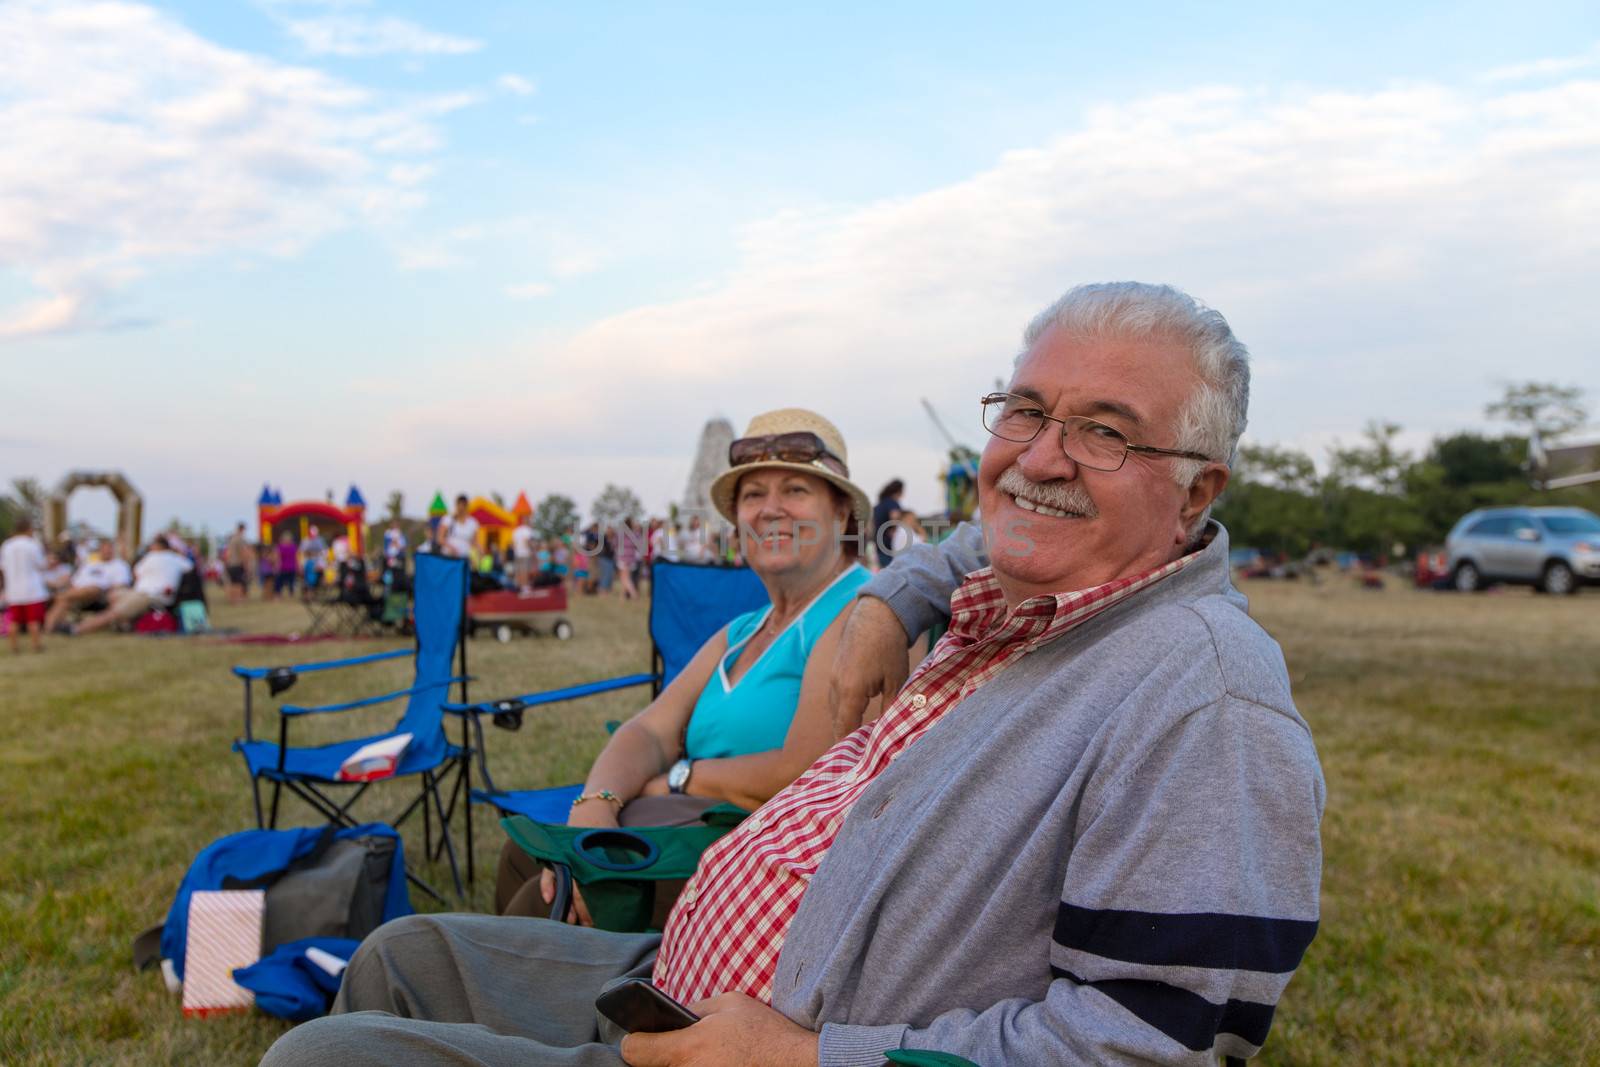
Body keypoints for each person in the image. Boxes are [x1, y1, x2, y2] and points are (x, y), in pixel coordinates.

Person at [264, 283, 1324, 1067]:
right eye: (1026, 410)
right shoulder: (998, 582)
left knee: (317, 1060)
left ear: (1194, 496)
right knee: (402, 951)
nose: (1041, 456)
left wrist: (802, 1054)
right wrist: (885, 601)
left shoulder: (1199, 697)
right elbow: (965, 539)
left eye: (1105, 432)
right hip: (672, 975)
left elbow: (1152, 1046)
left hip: (781, 1040)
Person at [494, 409, 886, 920]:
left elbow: (806, 771)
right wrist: (596, 805)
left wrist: (676, 780)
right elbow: (649, 730)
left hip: (766, 866)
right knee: (525, 857)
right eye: (752, 495)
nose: (770, 510)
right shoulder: (743, 629)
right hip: (685, 829)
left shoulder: (865, 612)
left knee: (553, 899)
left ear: (840, 515)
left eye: (794, 490)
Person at [75, 534, 193, 634]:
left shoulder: (150, 557)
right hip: (141, 593)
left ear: (157, 546)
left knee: (113, 612)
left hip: (150, 596)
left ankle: (76, 629)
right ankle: (123, 624)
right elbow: (190, 569)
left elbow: (136, 573)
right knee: (114, 595)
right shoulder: (177, 559)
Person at [44, 540, 132, 632]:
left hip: (101, 593)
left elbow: (121, 584)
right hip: (78, 592)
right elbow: (75, 581)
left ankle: (54, 619)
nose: (106, 551)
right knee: (64, 599)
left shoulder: (119, 565)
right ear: (99, 550)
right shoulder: (90, 564)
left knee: (83, 591)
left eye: (109, 549)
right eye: (104, 549)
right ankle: (49, 628)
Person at [2, 515, 50, 653]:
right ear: (29, 529)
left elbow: (3, 567)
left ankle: (14, 647)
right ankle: (36, 646)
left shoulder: (7, 545)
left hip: (13, 590)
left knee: (14, 620)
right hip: (31, 589)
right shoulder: (32, 545)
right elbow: (40, 565)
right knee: (33, 620)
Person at [871, 478, 905, 569]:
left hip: (878, 542)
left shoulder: (879, 505)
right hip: (889, 544)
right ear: (899, 491)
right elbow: (895, 516)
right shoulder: (892, 503)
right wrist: (894, 530)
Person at [439, 495, 480, 561]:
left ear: (466, 507)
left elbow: (474, 541)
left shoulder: (473, 523)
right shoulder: (447, 519)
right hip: (448, 557)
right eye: (459, 506)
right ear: (456, 505)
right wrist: (450, 548)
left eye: (463, 506)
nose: (461, 509)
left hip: (464, 558)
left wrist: (480, 550)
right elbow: (440, 539)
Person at [223, 523, 255, 602]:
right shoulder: (240, 539)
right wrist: (246, 565)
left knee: (233, 582)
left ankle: (232, 599)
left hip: (230, 564)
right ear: (242, 529)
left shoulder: (232, 539)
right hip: (237, 564)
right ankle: (237, 599)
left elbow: (227, 554)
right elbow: (242, 553)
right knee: (238, 583)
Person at [511, 516, 536, 591]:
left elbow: (513, 544)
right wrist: (532, 551)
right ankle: (525, 587)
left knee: (519, 570)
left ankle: (519, 586)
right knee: (525, 570)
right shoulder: (528, 530)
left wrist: (516, 551)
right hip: (525, 552)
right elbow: (527, 541)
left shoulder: (516, 530)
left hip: (517, 553)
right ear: (527, 521)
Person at [302, 524, 328, 592]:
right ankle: (309, 593)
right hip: (309, 563)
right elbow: (303, 552)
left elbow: (324, 552)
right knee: (309, 580)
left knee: (320, 578)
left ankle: (318, 592)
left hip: (319, 562)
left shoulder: (320, 540)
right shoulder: (306, 540)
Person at [272, 531, 298, 598]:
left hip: (292, 567)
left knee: (291, 583)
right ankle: (278, 594)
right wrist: (276, 566)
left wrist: (298, 566)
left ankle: (291, 594)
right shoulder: (279, 547)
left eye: (288, 539)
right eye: (286, 539)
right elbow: (277, 557)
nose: (287, 540)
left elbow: (296, 557)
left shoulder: (293, 547)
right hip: (282, 568)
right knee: (279, 582)